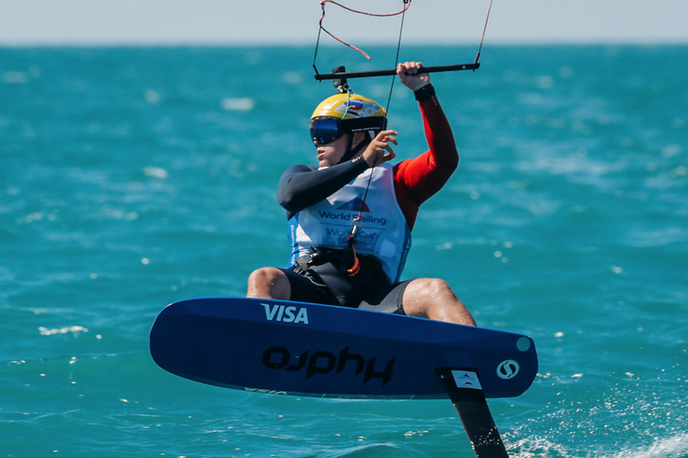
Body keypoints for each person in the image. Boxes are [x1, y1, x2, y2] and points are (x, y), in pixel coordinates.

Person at [246, 61, 476, 327]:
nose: (317, 143)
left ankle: (477, 358)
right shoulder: (304, 176)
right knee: (263, 278)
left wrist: (423, 91)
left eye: (326, 132)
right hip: (310, 294)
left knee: (435, 289)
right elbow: (289, 197)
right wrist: (361, 163)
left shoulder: (399, 181)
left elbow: (444, 161)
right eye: (314, 134)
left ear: (358, 137)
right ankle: (257, 342)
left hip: (374, 303)